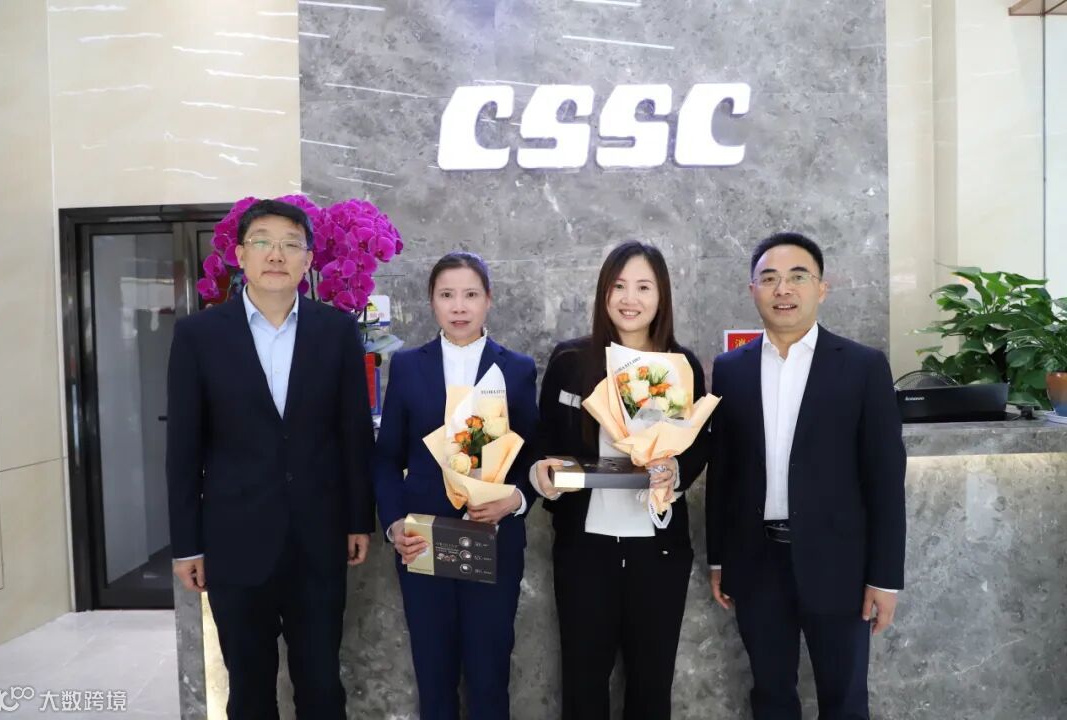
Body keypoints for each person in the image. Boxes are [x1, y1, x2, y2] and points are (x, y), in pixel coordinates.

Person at [166, 199, 375, 719]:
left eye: (290, 244)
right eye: (262, 242)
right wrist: (187, 544)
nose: (276, 254)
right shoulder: (199, 336)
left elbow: (353, 434)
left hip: (318, 538)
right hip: (234, 541)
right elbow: (184, 448)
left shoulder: (336, 331)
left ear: (308, 260)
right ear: (240, 255)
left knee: (322, 685)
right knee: (249, 689)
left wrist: (358, 520)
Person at [707, 231, 907, 720]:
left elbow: (884, 479)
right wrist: (718, 558)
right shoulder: (730, 368)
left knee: (845, 701)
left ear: (822, 288)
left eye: (798, 277)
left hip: (840, 565)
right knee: (771, 697)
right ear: (752, 289)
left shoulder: (862, 366)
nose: (783, 289)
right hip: (756, 563)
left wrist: (885, 578)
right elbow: (723, 472)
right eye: (769, 278)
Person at [531, 241, 710, 720]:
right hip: (584, 549)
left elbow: (698, 445)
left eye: (643, 287)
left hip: (658, 552)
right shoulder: (571, 361)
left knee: (652, 686)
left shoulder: (681, 365)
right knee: (583, 685)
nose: (630, 299)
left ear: (661, 295)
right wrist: (542, 472)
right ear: (604, 293)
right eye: (619, 286)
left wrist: (675, 473)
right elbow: (544, 440)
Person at [372, 251, 539, 720]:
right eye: (447, 295)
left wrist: (515, 499)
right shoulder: (408, 366)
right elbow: (386, 459)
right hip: (424, 541)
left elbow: (533, 457)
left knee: (489, 678)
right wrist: (394, 525)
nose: (459, 306)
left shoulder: (517, 368)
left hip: (494, 539)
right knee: (434, 677)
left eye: (470, 295)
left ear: (488, 300)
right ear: (432, 301)